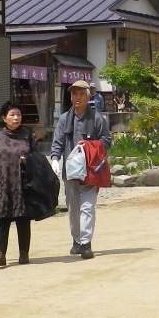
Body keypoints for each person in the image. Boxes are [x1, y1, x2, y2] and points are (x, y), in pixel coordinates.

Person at [50, 80, 112, 259]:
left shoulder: (97, 118)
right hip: (71, 171)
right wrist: (55, 159)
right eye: (74, 94)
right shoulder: (64, 119)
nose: (77, 97)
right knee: (73, 207)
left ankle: (86, 243)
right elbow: (58, 142)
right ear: (71, 97)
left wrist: (91, 145)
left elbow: (107, 141)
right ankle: (76, 240)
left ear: (89, 97)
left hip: (91, 170)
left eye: (81, 94)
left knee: (87, 207)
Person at [0, 101, 36, 267]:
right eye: (12, 115)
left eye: (18, 114)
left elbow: (38, 159)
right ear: (4, 118)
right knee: (2, 218)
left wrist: (28, 160)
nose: (16, 118)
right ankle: (0, 254)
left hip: (22, 184)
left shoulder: (28, 136)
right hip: (2, 184)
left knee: (23, 218)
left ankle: (24, 253)